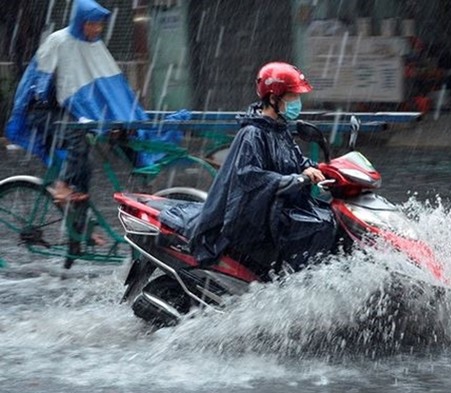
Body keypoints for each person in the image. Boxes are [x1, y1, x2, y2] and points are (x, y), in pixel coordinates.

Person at [5, 0, 183, 206]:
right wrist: (79, 107)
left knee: (120, 136)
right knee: (76, 138)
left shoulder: (95, 44)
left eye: (99, 24)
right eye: (92, 24)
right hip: (43, 109)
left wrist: (116, 114)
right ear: (80, 22)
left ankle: (84, 226)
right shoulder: (59, 41)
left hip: (70, 110)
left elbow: (111, 85)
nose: (97, 28)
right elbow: (43, 82)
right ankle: (62, 187)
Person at [187, 61, 336, 275]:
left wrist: (320, 169)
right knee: (315, 229)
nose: (298, 103)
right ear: (274, 99)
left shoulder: (279, 129)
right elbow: (250, 175)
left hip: (276, 207)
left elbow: (295, 160)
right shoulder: (253, 134)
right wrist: (295, 180)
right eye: (293, 97)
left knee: (326, 220)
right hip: (254, 216)